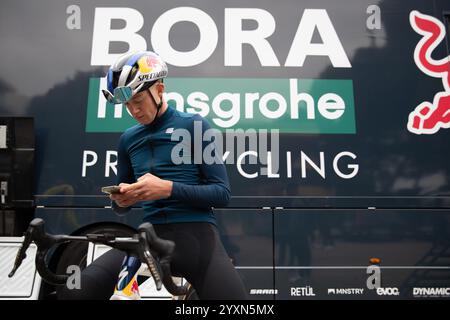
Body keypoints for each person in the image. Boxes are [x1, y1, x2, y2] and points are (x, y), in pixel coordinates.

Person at [59, 51, 247, 300]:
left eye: (138, 101)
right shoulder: (127, 139)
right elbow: (121, 208)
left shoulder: (194, 125)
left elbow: (222, 193)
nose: (133, 110)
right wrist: (122, 200)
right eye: (127, 105)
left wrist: (167, 188)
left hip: (199, 241)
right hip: (148, 241)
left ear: (159, 89)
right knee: (76, 292)